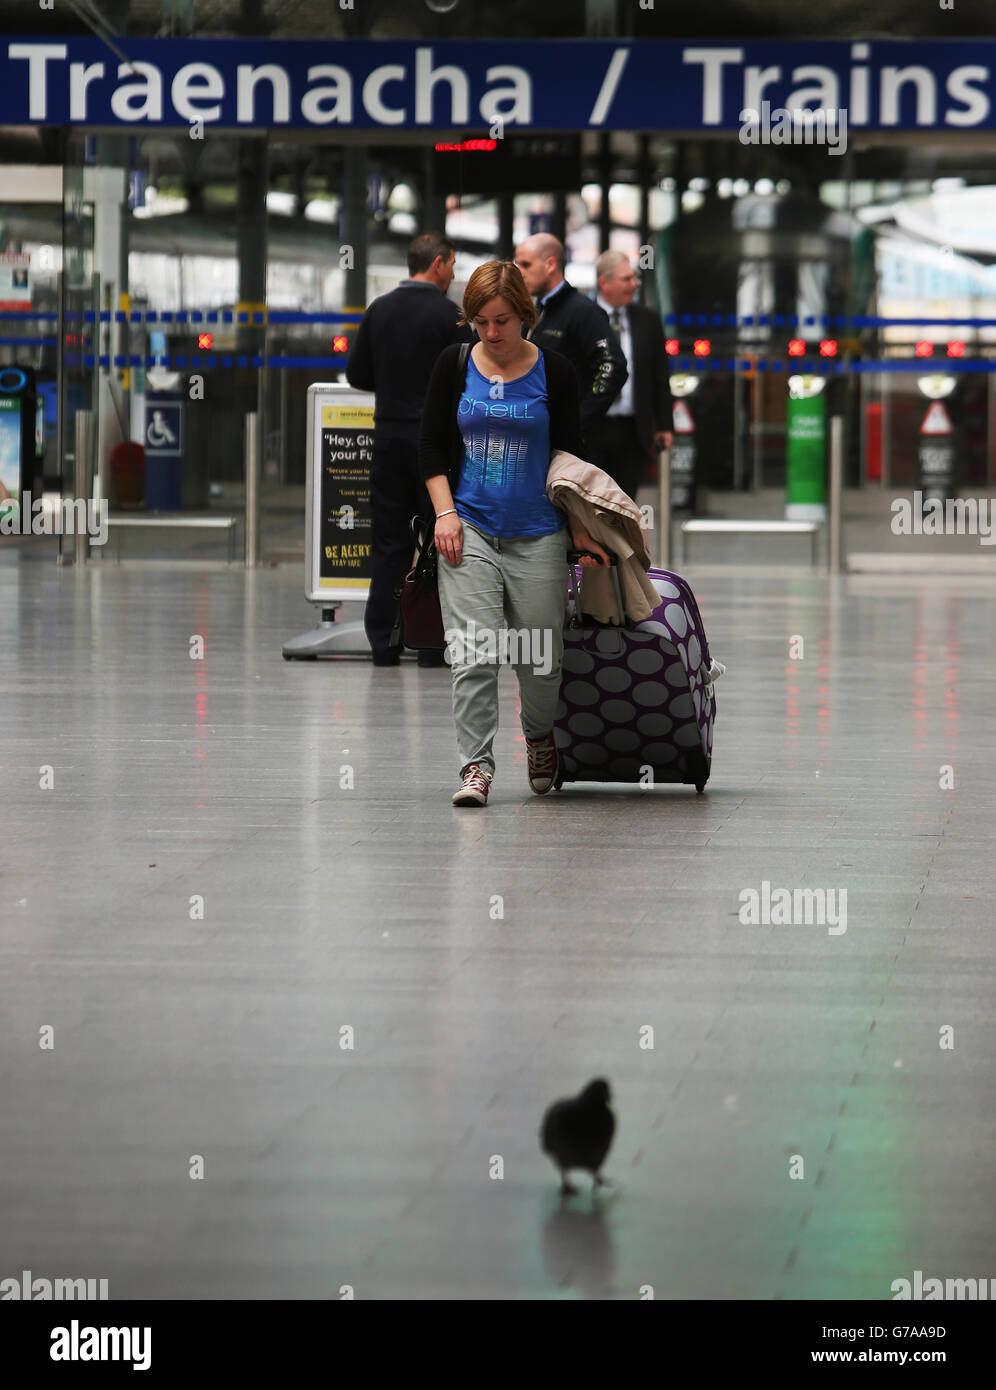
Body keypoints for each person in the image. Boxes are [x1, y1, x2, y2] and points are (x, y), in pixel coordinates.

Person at [418, 261, 610, 808]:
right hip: (470, 527)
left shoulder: (557, 371)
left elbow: (572, 457)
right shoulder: (454, 366)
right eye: (479, 322)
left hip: (539, 532)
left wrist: (582, 535)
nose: (491, 333)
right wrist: (444, 514)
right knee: (473, 653)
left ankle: (540, 734)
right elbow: (430, 446)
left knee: (540, 658)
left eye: (501, 321)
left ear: (524, 314)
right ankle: (476, 766)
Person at [346, 232, 470, 666]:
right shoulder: (449, 315)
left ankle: (383, 641)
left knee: (388, 541)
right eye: (452, 264)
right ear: (437, 263)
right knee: (439, 542)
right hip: (435, 445)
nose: (453, 273)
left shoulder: (378, 309)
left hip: (387, 440)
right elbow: (467, 376)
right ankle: (431, 642)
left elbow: (358, 374)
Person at [514, 234, 627, 439]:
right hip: (535, 434)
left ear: (550, 264)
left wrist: (578, 422)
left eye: (525, 265)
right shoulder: (534, 311)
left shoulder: (582, 311)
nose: (519, 273)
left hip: (570, 442)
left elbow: (612, 366)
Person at [586, 249, 674, 502]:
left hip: (632, 430)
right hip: (593, 429)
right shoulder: (584, 317)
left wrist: (665, 424)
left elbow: (660, 374)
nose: (634, 284)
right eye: (626, 279)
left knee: (625, 505)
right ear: (604, 282)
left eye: (634, 278)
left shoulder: (647, 320)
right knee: (593, 505)